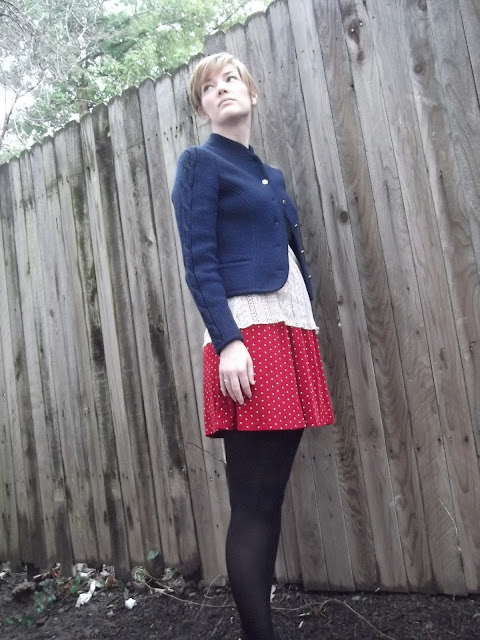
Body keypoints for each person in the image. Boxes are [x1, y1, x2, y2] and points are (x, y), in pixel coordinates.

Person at [172, 52, 334, 640]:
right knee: (251, 502)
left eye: (230, 79)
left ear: (253, 93)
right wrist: (229, 343)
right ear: (202, 109)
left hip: (290, 328)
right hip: (248, 334)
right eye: (207, 88)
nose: (221, 90)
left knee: (270, 500)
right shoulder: (200, 163)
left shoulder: (272, 175)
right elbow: (199, 262)